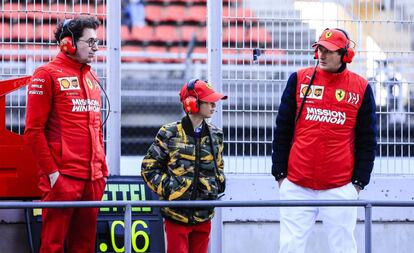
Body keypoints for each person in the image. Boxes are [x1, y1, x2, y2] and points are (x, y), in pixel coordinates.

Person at [272, 28, 377, 253]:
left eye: (328, 51)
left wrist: (358, 183)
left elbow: (368, 140)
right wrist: (280, 175)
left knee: (344, 248)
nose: (322, 54)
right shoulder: (299, 79)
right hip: (297, 184)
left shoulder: (361, 87)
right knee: (289, 247)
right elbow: (282, 129)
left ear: (345, 55)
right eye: (319, 48)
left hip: (340, 187)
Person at [24, 16, 108, 253]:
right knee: (53, 246)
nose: (95, 47)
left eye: (97, 41)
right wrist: (53, 175)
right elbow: (33, 132)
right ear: (68, 43)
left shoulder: (92, 77)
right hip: (62, 178)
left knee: (85, 246)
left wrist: (102, 169)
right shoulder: (45, 74)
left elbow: (96, 127)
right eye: (90, 42)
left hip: (93, 178)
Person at [141, 79, 227, 253]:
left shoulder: (216, 135)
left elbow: (219, 166)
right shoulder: (169, 133)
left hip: (204, 216)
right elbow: (149, 168)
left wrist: (216, 186)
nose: (213, 105)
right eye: (208, 102)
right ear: (192, 103)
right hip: (175, 217)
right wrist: (172, 190)